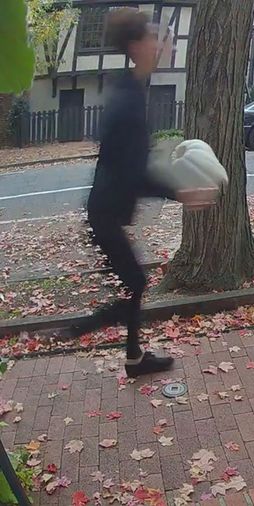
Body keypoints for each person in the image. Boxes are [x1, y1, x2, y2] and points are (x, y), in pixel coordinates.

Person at [64, 9, 211, 377]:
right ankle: (85, 327)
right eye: (154, 38)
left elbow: (129, 162)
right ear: (136, 46)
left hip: (107, 209)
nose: (162, 45)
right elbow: (134, 172)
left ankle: (133, 357)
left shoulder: (130, 87)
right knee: (137, 284)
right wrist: (182, 193)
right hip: (105, 212)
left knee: (135, 284)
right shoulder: (128, 99)